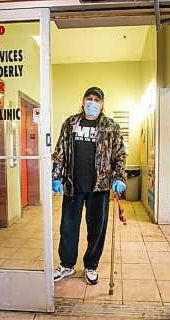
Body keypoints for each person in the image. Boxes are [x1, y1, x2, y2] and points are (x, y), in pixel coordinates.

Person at [52, 86, 127, 285]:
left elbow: (119, 154)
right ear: (83, 101)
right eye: (89, 98)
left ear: (102, 104)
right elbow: (60, 151)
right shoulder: (71, 123)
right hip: (72, 186)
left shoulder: (110, 126)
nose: (92, 103)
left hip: (99, 187)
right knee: (68, 227)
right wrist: (56, 176)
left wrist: (120, 177)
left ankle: (91, 266)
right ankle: (67, 264)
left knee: (97, 228)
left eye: (97, 100)